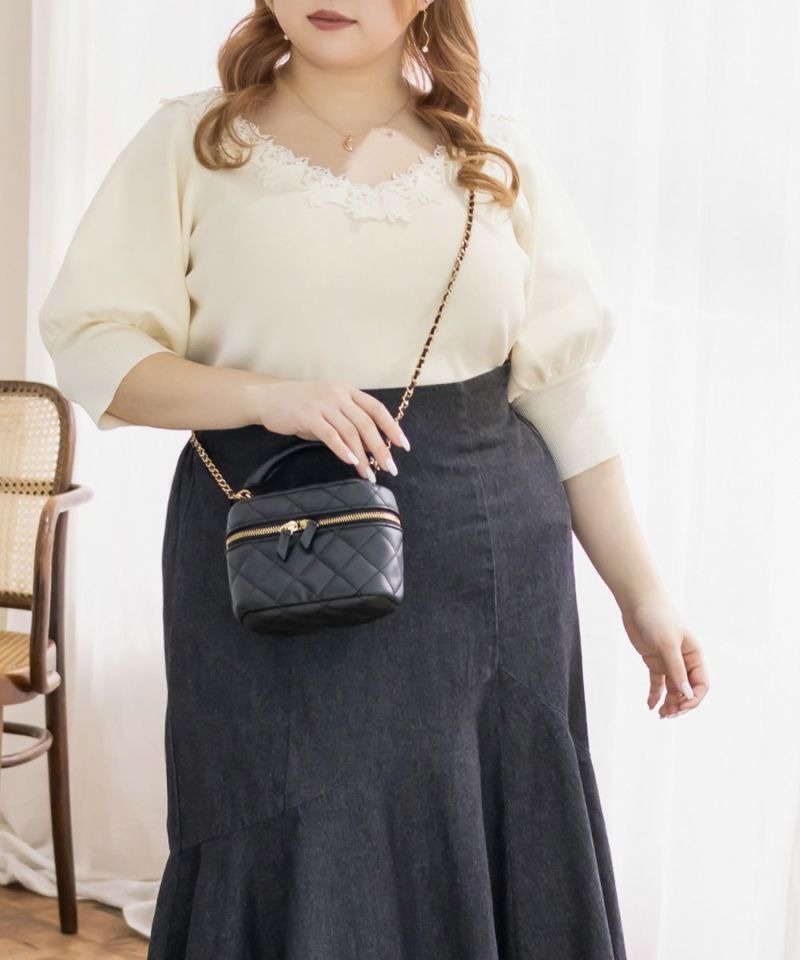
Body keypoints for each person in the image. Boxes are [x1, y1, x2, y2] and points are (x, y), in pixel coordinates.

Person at [38, 1, 709, 957]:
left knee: (484, 823)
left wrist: (643, 595)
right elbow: (96, 349)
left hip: (483, 570)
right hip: (269, 553)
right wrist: (267, 396)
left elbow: (564, 395)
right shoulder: (194, 143)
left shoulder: (492, 153)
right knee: (276, 823)